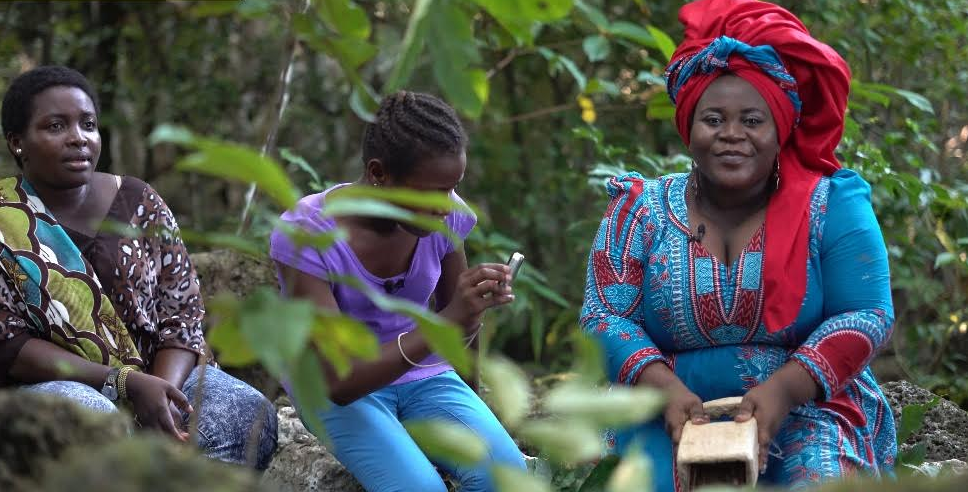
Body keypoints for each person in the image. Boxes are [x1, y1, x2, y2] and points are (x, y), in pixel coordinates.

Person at [580, 0, 896, 489]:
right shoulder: (638, 210)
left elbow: (866, 314)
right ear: (689, 127)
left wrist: (784, 392)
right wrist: (665, 392)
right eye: (713, 119)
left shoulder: (832, 204)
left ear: (779, 130)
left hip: (805, 406)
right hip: (664, 407)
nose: (732, 135)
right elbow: (604, 315)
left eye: (752, 120)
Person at [0, 66, 277, 469]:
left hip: (158, 371)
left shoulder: (138, 202)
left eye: (88, 124)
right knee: (93, 422)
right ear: (17, 142)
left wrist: (160, 393)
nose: (78, 137)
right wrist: (123, 384)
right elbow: (10, 344)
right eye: (56, 126)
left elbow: (182, 314)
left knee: (244, 412)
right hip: (52, 386)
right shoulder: (6, 221)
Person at [269, 90, 526, 491]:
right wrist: (446, 323)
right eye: (431, 193)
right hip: (339, 389)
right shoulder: (308, 235)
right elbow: (339, 383)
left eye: (453, 188)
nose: (447, 206)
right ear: (378, 173)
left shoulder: (445, 219)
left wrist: (470, 322)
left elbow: (457, 324)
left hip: (424, 377)